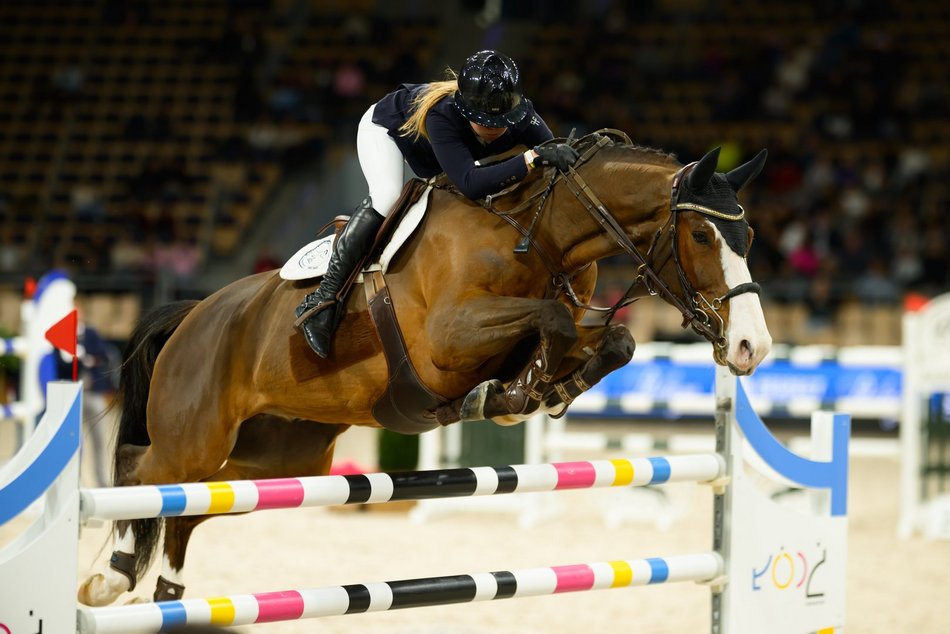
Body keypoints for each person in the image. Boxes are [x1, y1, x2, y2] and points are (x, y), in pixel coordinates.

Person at [294, 50, 579, 358]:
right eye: (484, 121)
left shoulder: (523, 113)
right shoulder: (442, 114)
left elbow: (553, 153)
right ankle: (322, 303)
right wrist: (531, 158)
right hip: (389, 131)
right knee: (387, 196)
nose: (496, 127)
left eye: (503, 120)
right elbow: (470, 183)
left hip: (443, 159)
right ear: (466, 108)